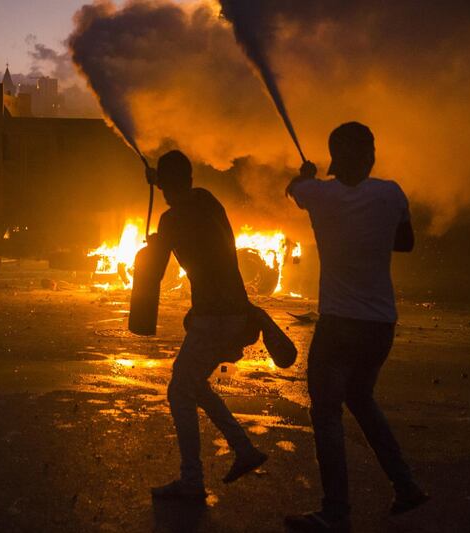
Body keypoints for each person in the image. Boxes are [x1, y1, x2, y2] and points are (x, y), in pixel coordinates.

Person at [284, 122, 427, 532]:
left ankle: (335, 512)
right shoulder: (392, 193)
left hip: (339, 325)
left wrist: (308, 176)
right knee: (361, 400)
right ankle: (406, 485)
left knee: (327, 413)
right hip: (381, 325)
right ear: (371, 156)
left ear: (333, 159)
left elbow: (293, 188)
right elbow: (405, 243)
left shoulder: (318, 193)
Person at [145, 150, 267, 502]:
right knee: (193, 383)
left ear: (166, 187)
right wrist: (161, 179)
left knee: (179, 390)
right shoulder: (208, 201)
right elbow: (183, 199)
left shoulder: (171, 221)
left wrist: (152, 247)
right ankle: (243, 450)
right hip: (235, 310)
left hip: (213, 316)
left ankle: (192, 482)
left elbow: (154, 272)